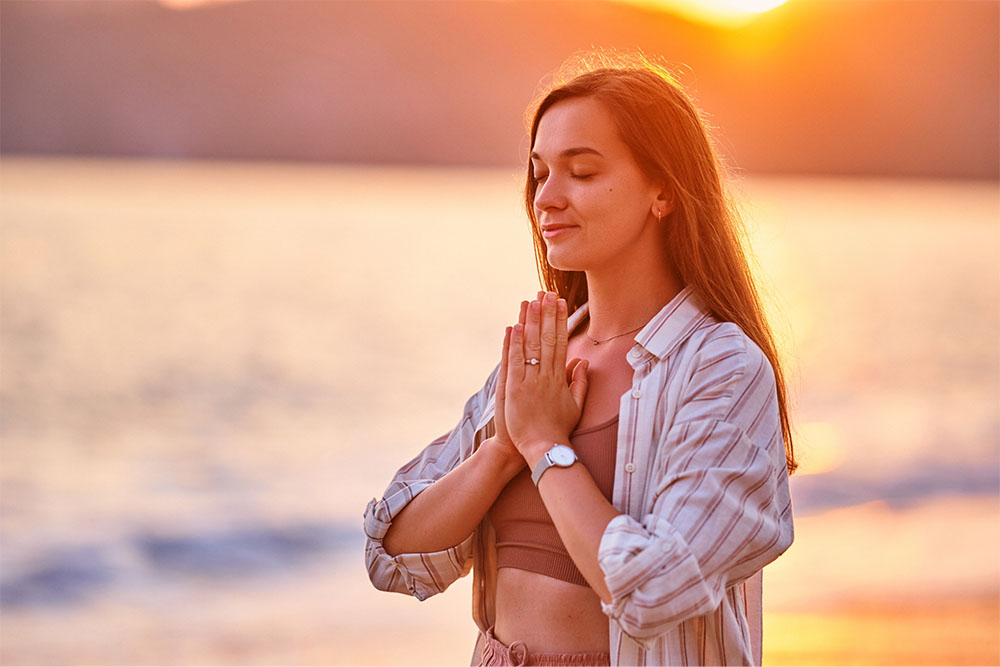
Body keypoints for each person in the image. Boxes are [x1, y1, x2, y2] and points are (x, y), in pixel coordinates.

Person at [363, 52, 795, 667]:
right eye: (539, 173)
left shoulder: (720, 368)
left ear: (663, 191)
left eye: (582, 173)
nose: (546, 198)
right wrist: (504, 450)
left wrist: (545, 447)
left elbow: (653, 589)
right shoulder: (545, 354)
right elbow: (394, 552)